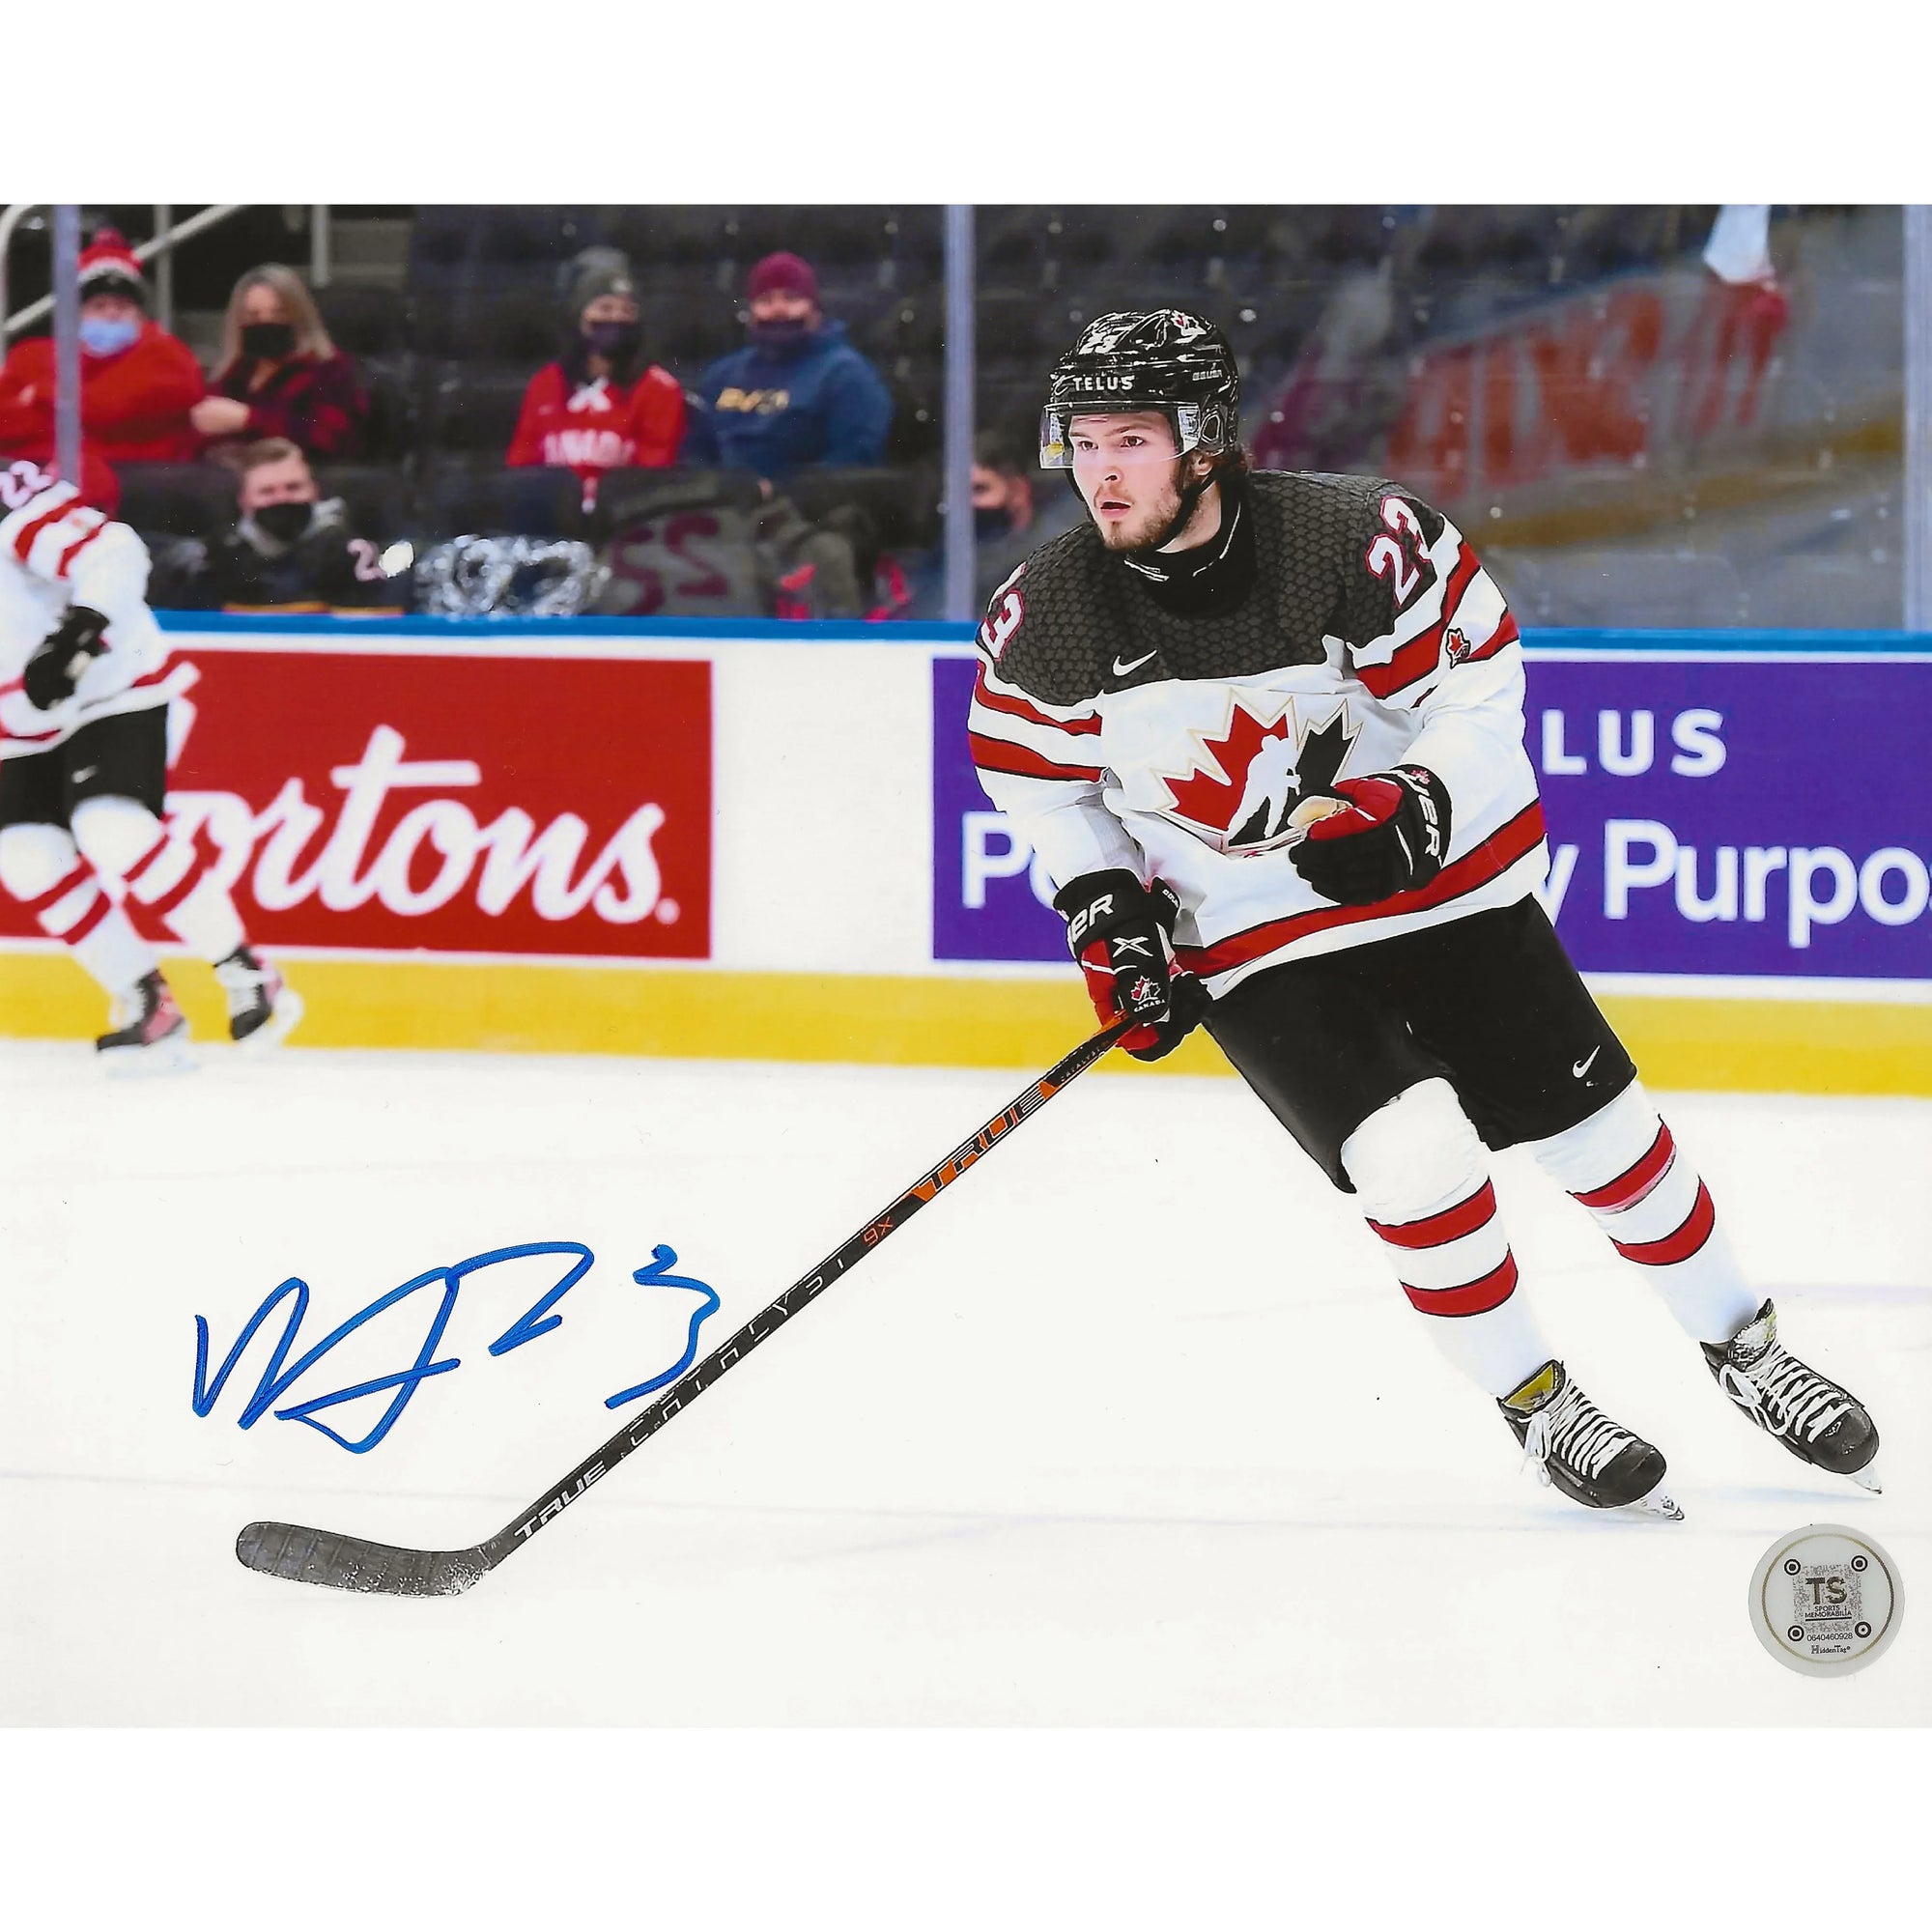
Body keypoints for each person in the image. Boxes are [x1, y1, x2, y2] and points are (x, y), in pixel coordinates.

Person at [967, 309, 1881, 1518]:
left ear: (1202, 443)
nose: (1098, 470)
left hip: (1438, 892)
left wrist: (1414, 796)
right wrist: (1105, 915)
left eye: (1129, 438)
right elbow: (1043, 791)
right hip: (1257, 941)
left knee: (1604, 1140)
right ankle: (1537, 1400)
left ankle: (1745, 1347)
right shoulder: (1053, 613)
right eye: (1081, 441)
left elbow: (1477, 684)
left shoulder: (1350, 536)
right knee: (1412, 1155)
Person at [0, 454, 301, 1069]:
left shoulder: (6, 493)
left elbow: (113, 549)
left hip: (106, 685)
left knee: (111, 827)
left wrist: (79, 632)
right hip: (18, 720)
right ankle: (146, 1000)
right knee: (25, 857)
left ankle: (246, 971)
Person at [0, 228, 203, 477]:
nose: (111, 313)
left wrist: (43, 396)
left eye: (122, 305)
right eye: (99, 306)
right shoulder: (31, 356)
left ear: (140, 315)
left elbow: (120, 407)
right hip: (41, 478)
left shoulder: (166, 354)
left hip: (137, 484)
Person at [683, 252, 892, 478]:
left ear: (815, 310)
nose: (778, 309)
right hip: (726, 506)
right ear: (751, 314)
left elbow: (852, 463)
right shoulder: (722, 374)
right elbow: (696, 454)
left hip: (805, 507)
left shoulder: (847, 374)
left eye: (791, 298)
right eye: (765, 301)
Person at [506, 248, 685, 512]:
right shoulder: (546, 383)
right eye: (605, 308)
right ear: (579, 316)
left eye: (627, 310)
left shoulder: (659, 389)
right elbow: (521, 468)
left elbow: (653, 481)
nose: (616, 318)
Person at [201, 439, 404, 612]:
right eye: (267, 491)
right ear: (244, 501)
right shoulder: (220, 555)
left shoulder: (352, 552)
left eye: (293, 487)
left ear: (314, 492)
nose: (282, 499)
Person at [190, 265, 367, 460]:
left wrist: (249, 419)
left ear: (298, 316)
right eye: (253, 316)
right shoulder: (234, 372)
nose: (266, 323)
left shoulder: (328, 368)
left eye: (279, 314)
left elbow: (335, 439)